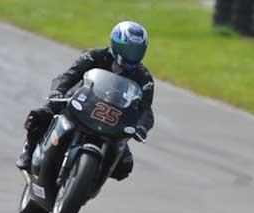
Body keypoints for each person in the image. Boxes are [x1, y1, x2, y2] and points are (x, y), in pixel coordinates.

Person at [16, 21, 154, 180]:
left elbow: (146, 109)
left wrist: (141, 127)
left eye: (136, 51)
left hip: (112, 120)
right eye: (128, 49)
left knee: (124, 165)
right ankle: (28, 150)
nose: (132, 55)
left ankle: (90, 180)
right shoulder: (94, 56)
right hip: (79, 103)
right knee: (40, 115)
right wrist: (58, 92)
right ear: (115, 44)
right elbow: (69, 75)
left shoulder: (144, 78)